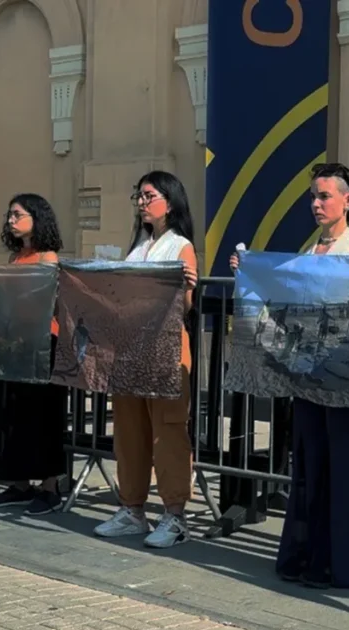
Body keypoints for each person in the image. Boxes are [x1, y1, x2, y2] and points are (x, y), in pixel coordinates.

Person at [230, 163, 349, 588]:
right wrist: (248, 269)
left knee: (346, 471)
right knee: (309, 466)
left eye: (324, 196)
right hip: (308, 378)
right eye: (313, 196)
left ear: (348, 201)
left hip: (348, 381)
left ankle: (342, 565)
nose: (315, 204)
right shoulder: (307, 257)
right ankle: (306, 556)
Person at [93, 170, 199, 549]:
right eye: (138, 196)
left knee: (167, 430)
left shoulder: (180, 246)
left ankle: (174, 514)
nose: (141, 202)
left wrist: (186, 288)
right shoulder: (138, 249)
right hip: (131, 351)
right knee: (129, 430)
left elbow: (185, 305)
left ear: (169, 202)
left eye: (149, 195)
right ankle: (132, 508)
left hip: (166, 349)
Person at [0, 193, 69, 516]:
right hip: (16, 342)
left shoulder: (48, 258)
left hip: (43, 343)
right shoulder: (17, 258)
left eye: (17, 215)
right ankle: (18, 483)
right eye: (9, 215)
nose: (11, 221)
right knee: (14, 415)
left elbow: (43, 302)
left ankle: (49, 486)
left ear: (36, 217)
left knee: (43, 415)